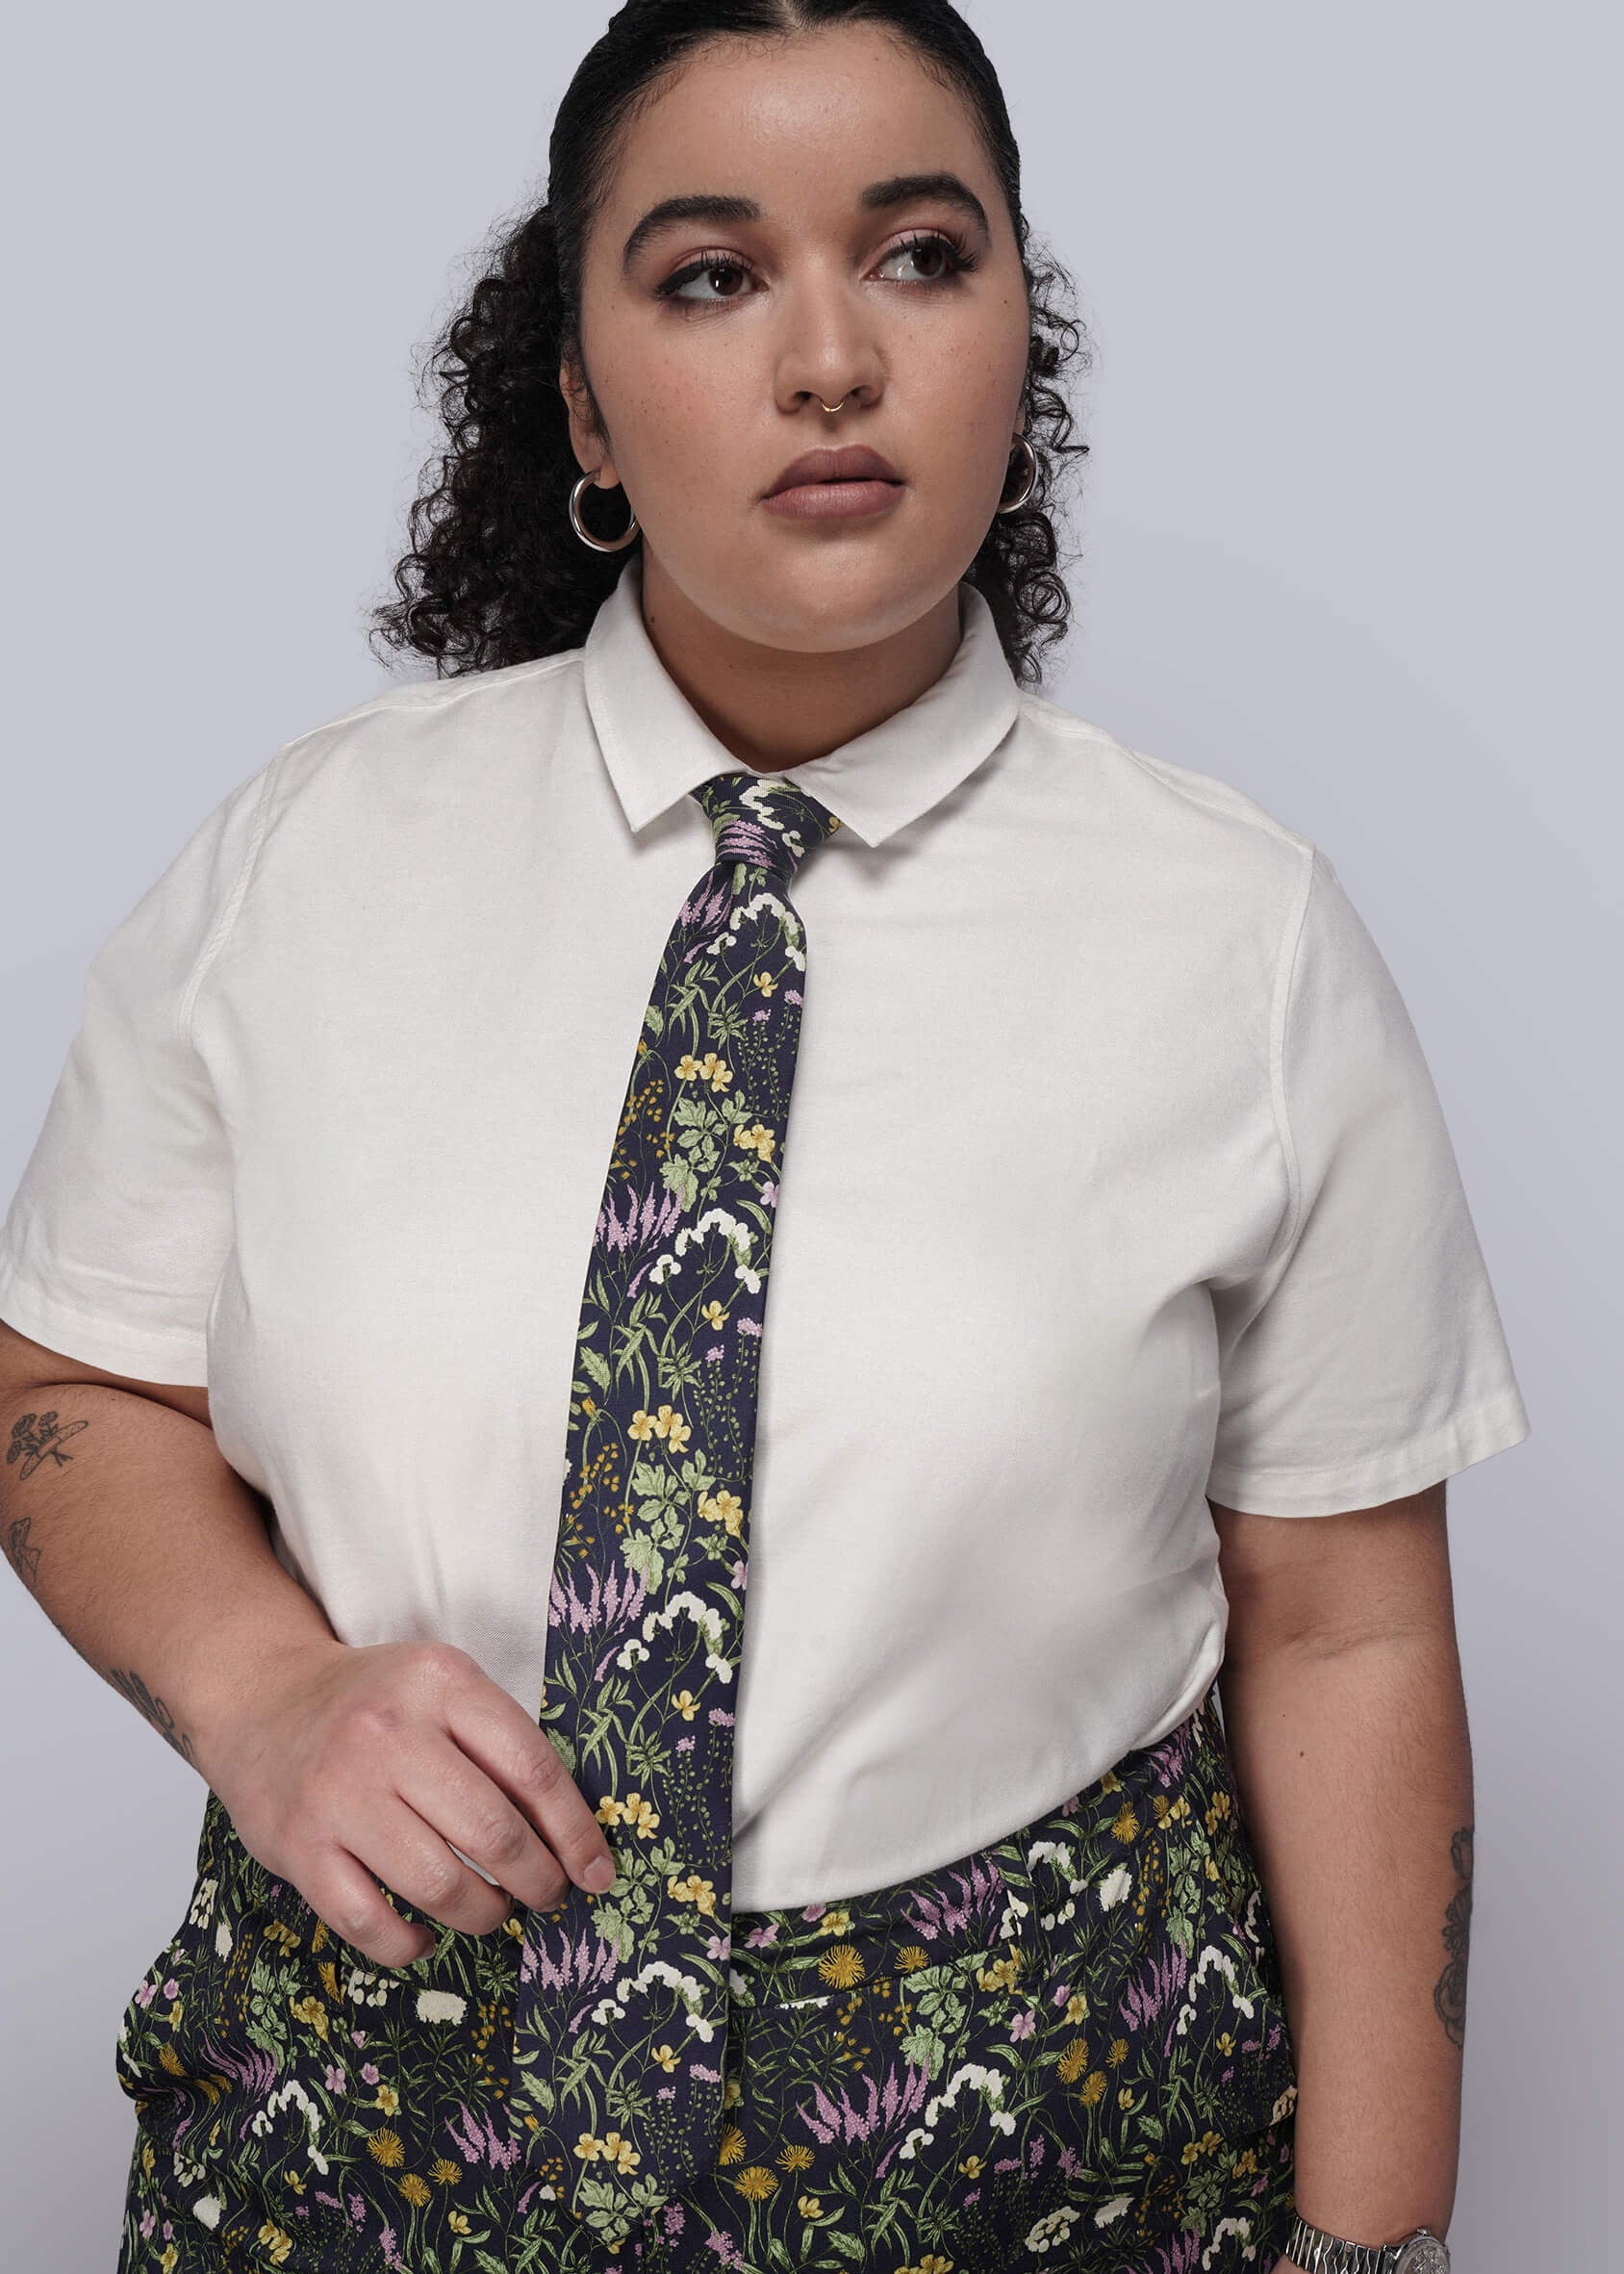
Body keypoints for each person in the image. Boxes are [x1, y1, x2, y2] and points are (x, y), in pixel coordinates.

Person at [0, 4, 1526, 2270]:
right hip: (366, 2169)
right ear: (585, 398)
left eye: (920, 254)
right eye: (710, 275)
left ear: (1025, 334)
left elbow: (1342, 1637)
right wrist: (263, 1684)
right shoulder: (307, 868)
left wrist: (1369, 2246)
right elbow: (71, 1381)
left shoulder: (1244, 938)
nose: (828, 356)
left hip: (1054, 2178)